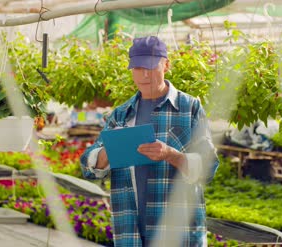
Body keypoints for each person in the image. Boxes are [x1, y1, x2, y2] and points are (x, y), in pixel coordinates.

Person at [80, 36, 219, 246]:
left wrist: (171, 155)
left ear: (166, 64)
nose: (144, 75)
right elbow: (88, 167)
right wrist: (109, 150)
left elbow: (209, 167)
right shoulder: (121, 114)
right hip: (131, 231)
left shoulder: (189, 108)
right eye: (137, 68)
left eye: (151, 67)